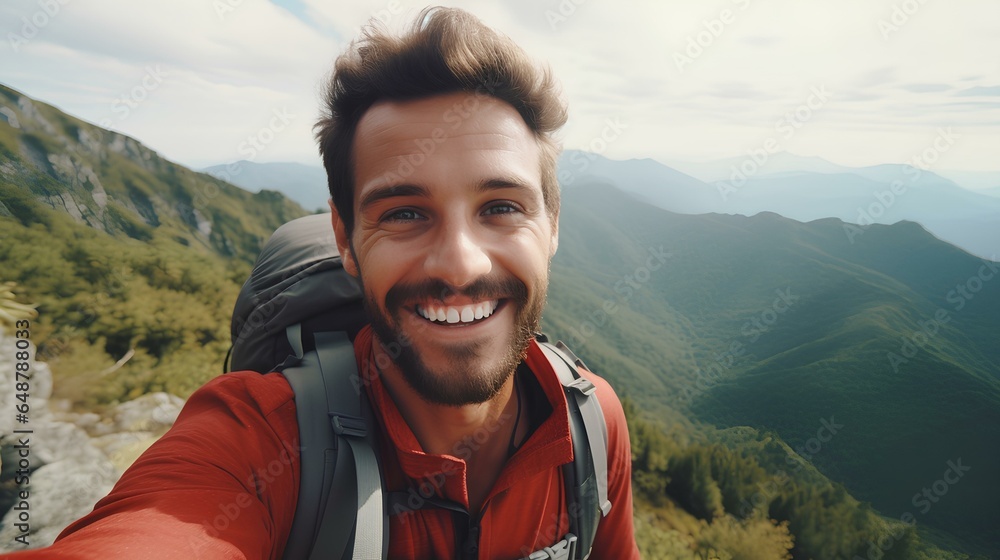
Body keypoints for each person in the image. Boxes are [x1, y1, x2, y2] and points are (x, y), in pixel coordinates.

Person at [4, 7, 639, 559]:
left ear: (551, 223)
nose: (459, 265)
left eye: (501, 206)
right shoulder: (261, 442)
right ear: (345, 240)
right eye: (404, 213)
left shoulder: (591, 423)